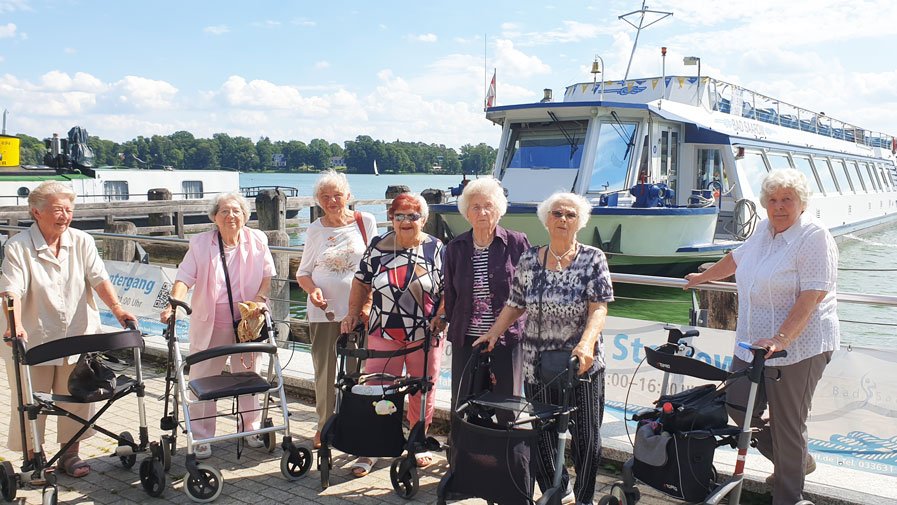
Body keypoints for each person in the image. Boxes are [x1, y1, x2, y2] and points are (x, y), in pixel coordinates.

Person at [684, 168, 838, 505]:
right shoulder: (764, 230)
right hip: (751, 341)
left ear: (802, 203)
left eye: (787, 199)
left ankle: (787, 496)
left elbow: (813, 294)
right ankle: (797, 459)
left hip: (797, 347)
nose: (779, 206)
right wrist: (702, 278)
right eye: (773, 199)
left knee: (788, 423)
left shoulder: (814, 236)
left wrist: (781, 338)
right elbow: (736, 259)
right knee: (737, 405)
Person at [474, 192, 613, 505]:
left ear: (580, 222)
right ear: (546, 219)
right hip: (537, 363)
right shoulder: (529, 259)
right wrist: (493, 333)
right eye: (557, 213)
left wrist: (586, 343)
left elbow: (599, 308)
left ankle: (585, 498)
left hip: (580, 364)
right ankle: (557, 490)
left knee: (586, 437)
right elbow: (515, 304)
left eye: (570, 215)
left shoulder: (593, 258)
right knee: (543, 434)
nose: (563, 219)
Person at [0, 181, 137, 478]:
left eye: (69, 210)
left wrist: (118, 310)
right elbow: (11, 290)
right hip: (33, 337)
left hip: (77, 333)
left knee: (77, 396)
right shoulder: (18, 246)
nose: (65, 216)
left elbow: (99, 279)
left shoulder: (82, 241)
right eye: (58, 210)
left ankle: (70, 454)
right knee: (31, 399)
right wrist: (15, 324)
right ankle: (35, 458)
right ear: (36, 212)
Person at [160, 191, 274, 460]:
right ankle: (201, 436)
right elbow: (184, 278)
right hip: (211, 321)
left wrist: (260, 300)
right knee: (203, 378)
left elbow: (267, 276)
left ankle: (250, 428)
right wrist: (173, 304)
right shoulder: (201, 243)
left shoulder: (257, 239)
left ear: (245, 216)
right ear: (214, 217)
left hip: (247, 321)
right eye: (224, 211)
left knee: (249, 374)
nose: (230, 216)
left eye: (236, 211)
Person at [341, 192, 445, 474]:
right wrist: (353, 313)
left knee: (423, 390)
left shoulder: (436, 248)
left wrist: (441, 316)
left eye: (412, 216)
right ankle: (372, 447)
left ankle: (417, 442)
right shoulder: (379, 246)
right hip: (383, 330)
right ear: (392, 219)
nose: (406, 221)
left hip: (425, 334)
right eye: (399, 215)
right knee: (377, 389)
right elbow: (361, 282)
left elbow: (449, 290)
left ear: (423, 219)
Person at [295, 171, 376, 454]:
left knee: (357, 371)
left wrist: (366, 305)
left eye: (337, 195)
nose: (332, 201)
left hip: (359, 312)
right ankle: (324, 424)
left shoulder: (365, 222)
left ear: (348, 196)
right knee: (325, 371)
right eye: (325, 196)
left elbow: (377, 266)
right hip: (325, 312)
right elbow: (303, 272)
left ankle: (353, 424)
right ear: (318, 200)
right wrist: (312, 290)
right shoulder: (314, 229)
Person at [436, 177, 529, 407]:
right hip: (467, 339)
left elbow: (528, 290)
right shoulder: (456, 247)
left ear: (499, 210)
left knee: (507, 406)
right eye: (476, 207)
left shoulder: (517, 242)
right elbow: (450, 292)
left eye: (488, 206)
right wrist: (447, 318)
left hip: (507, 338)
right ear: (467, 213)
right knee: (463, 403)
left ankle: (504, 434)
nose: (482, 212)